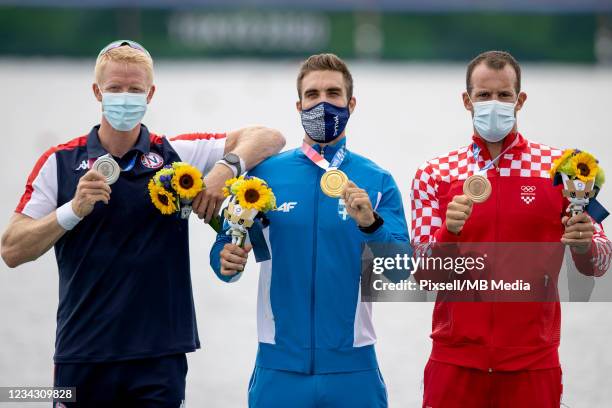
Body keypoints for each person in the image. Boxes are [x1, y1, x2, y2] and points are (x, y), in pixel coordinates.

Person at [0, 40, 285, 407]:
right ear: (96, 92)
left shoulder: (176, 155)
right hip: (82, 356)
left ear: (150, 94)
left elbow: (268, 137)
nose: (124, 97)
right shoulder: (59, 163)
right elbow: (11, 249)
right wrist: (73, 209)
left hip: (159, 359)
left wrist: (222, 171)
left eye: (134, 89)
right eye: (115, 88)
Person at [410, 50, 612, 407]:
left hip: (532, 364)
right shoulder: (435, 173)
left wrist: (584, 245)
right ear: (466, 100)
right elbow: (425, 274)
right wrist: (450, 234)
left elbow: (599, 263)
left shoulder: (563, 169)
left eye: (504, 95)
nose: (494, 103)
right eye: (484, 95)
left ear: (520, 100)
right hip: (455, 362)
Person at [210, 53, 409, 408]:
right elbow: (224, 255)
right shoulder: (262, 177)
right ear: (299, 104)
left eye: (333, 94)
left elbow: (399, 274)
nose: (322, 102)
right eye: (313, 94)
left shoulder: (376, 181)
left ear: (351, 104)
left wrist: (370, 223)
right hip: (279, 370)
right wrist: (227, 261)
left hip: (354, 373)